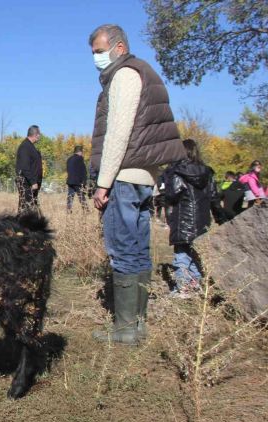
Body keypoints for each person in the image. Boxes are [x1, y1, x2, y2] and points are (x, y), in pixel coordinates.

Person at [88, 24, 186, 344]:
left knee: (123, 250)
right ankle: (138, 324)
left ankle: (126, 328)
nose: (96, 58)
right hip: (143, 178)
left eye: (100, 51)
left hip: (123, 178)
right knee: (140, 249)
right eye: (93, 53)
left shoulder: (125, 75)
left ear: (118, 48)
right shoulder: (145, 73)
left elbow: (118, 134)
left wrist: (103, 183)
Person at [163, 140, 225, 298]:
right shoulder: (207, 172)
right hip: (202, 220)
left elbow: (172, 194)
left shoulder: (177, 171)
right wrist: (220, 217)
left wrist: (168, 178)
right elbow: (214, 197)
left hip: (183, 218)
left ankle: (182, 287)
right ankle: (195, 284)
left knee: (182, 253)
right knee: (195, 252)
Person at [15, 125, 43, 213]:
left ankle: (29, 225)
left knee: (31, 207)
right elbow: (24, 167)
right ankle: (20, 224)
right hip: (26, 183)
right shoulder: (25, 147)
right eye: (39, 134)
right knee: (25, 207)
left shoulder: (31, 147)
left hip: (31, 183)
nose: (39, 136)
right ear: (36, 135)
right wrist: (33, 182)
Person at [65, 145, 88, 212]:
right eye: (82, 152)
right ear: (80, 151)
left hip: (70, 180)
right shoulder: (80, 158)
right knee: (81, 196)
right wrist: (84, 182)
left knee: (70, 196)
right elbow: (83, 171)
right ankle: (86, 210)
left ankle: (68, 210)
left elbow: (68, 169)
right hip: (77, 181)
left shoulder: (69, 159)